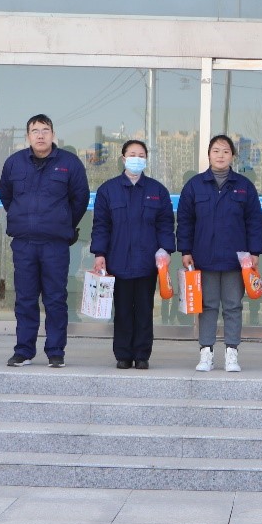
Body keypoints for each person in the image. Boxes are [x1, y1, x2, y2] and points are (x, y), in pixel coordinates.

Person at [0, 114, 89, 368]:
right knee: (25, 299)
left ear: (53, 134)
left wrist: (62, 222)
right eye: (35, 131)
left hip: (54, 244)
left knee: (55, 298)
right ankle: (24, 350)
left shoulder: (69, 163)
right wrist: (23, 219)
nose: (40, 135)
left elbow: (80, 199)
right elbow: (7, 197)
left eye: (45, 130)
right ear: (28, 136)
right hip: (24, 243)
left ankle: (55, 351)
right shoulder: (14, 163)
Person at [177, 135, 262, 373]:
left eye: (226, 151)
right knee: (207, 306)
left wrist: (255, 251)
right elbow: (185, 221)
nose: (220, 155)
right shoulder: (194, 185)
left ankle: (231, 352)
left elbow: (254, 221)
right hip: (204, 257)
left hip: (236, 260)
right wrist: (185, 250)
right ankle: (206, 352)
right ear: (208, 155)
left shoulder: (244, 186)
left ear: (233, 156)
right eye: (216, 151)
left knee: (233, 305)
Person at [90, 140, 176, 370]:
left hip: (147, 262)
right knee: (123, 310)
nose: (136, 159)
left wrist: (166, 249)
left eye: (141, 155)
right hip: (118, 261)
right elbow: (101, 225)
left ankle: (142, 354)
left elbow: (166, 224)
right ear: (123, 158)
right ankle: (123, 354)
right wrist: (100, 254)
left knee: (145, 310)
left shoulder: (157, 191)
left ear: (146, 159)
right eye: (132, 154)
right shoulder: (108, 190)